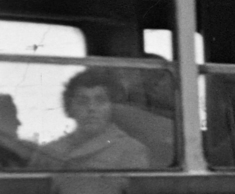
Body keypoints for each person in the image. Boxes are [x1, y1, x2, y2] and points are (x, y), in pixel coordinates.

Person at [0, 69, 150, 171]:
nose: (91, 108)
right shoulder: (49, 152)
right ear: (69, 108)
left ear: (112, 107)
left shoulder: (131, 151)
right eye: (82, 101)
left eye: (100, 100)